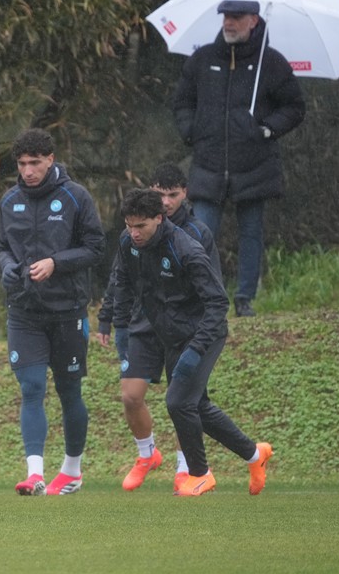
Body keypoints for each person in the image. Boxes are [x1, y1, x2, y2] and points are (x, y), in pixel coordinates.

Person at [111, 188, 273, 496]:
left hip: (205, 333)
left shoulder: (185, 249)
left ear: (159, 219)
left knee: (178, 402)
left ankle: (199, 473)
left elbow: (218, 303)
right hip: (171, 335)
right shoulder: (128, 243)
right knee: (197, 406)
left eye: (141, 226)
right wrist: (121, 328)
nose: (134, 233)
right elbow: (123, 282)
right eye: (129, 225)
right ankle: (255, 454)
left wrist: (196, 350)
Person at [172, 0, 306, 318]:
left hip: (255, 165)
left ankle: (244, 298)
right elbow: (182, 102)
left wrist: (268, 129)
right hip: (208, 165)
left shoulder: (271, 63)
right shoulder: (202, 59)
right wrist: (191, 131)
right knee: (200, 235)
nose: (228, 23)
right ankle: (201, 298)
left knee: (251, 234)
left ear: (253, 21)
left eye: (236, 17)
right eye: (225, 17)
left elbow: (294, 107)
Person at [97, 163, 223, 492]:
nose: (166, 201)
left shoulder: (195, 235)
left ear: (185, 194)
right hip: (144, 323)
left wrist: (200, 338)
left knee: (183, 401)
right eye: (159, 194)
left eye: (173, 195)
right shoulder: (132, 234)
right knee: (130, 395)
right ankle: (147, 454)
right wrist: (110, 318)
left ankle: (186, 467)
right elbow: (120, 277)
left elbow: (213, 292)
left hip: (183, 328)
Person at [0, 128, 106, 496]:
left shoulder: (75, 197)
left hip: (67, 310)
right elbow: (0, 247)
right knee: (31, 387)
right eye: (22, 164)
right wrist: (7, 266)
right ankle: (35, 474)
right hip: (24, 310)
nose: (27, 171)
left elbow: (95, 248)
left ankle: (72, 470)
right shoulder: (10, 201)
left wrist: (56, 263)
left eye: (35, 163)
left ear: (50, 160)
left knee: (69, 390)